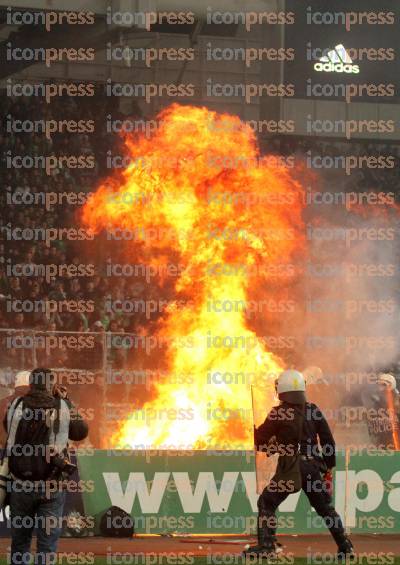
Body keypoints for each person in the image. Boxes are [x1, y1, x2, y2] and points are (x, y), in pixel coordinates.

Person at [244, 369, 354, 560]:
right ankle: (346, 546)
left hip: (291, 469)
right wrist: (328, 468)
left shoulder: (278, 413)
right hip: (312, 468)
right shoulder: (313, 410)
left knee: (267, 502)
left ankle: (267, 546)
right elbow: (328, 442)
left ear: (281, 390)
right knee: (326, 509)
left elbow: (260, 440)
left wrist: (264, 438)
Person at [4, 367, 89, 565]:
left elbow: (8, 429)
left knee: (19, 544)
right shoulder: (61, 406)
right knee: (47, 547)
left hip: (20, 485)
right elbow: (81, 432)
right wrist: (66, 401)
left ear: (31, 384)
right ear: (51, 385)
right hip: (51, 486)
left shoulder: (16, 404)